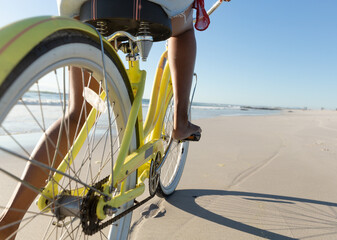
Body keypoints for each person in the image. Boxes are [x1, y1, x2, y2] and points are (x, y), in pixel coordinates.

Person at [0, 0, 230, 238]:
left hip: (81, 6)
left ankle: (10, 222)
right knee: (183, 30)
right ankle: (180, 122)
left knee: (77, 115)